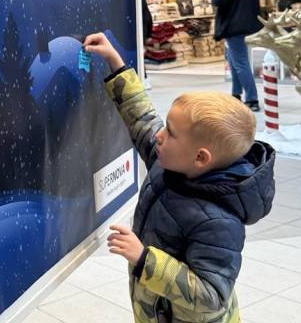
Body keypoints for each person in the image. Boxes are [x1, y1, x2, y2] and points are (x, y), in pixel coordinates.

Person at [83, 31, 276, 323]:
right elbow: (143, 119)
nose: (159, 136)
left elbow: (212, 297)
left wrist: (145, 259)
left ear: (200, 158)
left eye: (170, 132)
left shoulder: (219, 222)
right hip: (156, 307)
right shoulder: (171, 161)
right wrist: (116, 63)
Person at [212, 0, 263, 112]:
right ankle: (236, 93)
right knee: (233, 60)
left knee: (240, 62)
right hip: (249, 24)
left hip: (234, 26)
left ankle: (252, 99)